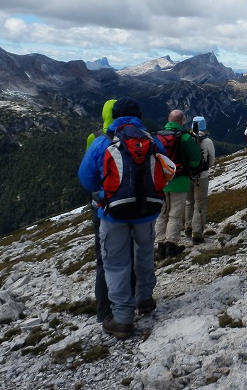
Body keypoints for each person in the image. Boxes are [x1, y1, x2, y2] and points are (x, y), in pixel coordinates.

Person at [78, 97, 162, 339]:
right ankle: (145, 299)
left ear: (114, 116)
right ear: (139, 116)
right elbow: (166, 168)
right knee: (144, 255)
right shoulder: (152, 139)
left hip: (113, 214)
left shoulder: (102, 142)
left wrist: (108, 190)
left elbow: (87, 180)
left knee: (115, 264)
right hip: (146, 212)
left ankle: (123, 318)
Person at [84, 98, 116, 324]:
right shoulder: (141, 136)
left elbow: (88, 177)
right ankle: (130, 301)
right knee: (132, 253)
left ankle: (104, 311)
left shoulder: (94, 138)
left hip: (103, 206)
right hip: (136, 205)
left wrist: (101, 194)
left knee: (104, 260)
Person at [154, 109, 202, 259]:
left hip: (160, 182)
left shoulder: (157, 136)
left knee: (161, 214)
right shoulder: (186, 138)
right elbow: (196, 160)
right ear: (182, 121)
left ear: (169, 120)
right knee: (175, 215)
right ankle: (171, 246)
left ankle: (160, 245)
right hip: (180, 181)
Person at [185, 116, 215, 245]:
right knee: (200, 205)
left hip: (186, 175)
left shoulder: (185, 138)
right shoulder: (207, 141)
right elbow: (212, 159)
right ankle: (197, 233)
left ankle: (188, 227)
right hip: (201, 176)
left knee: (189, 202)